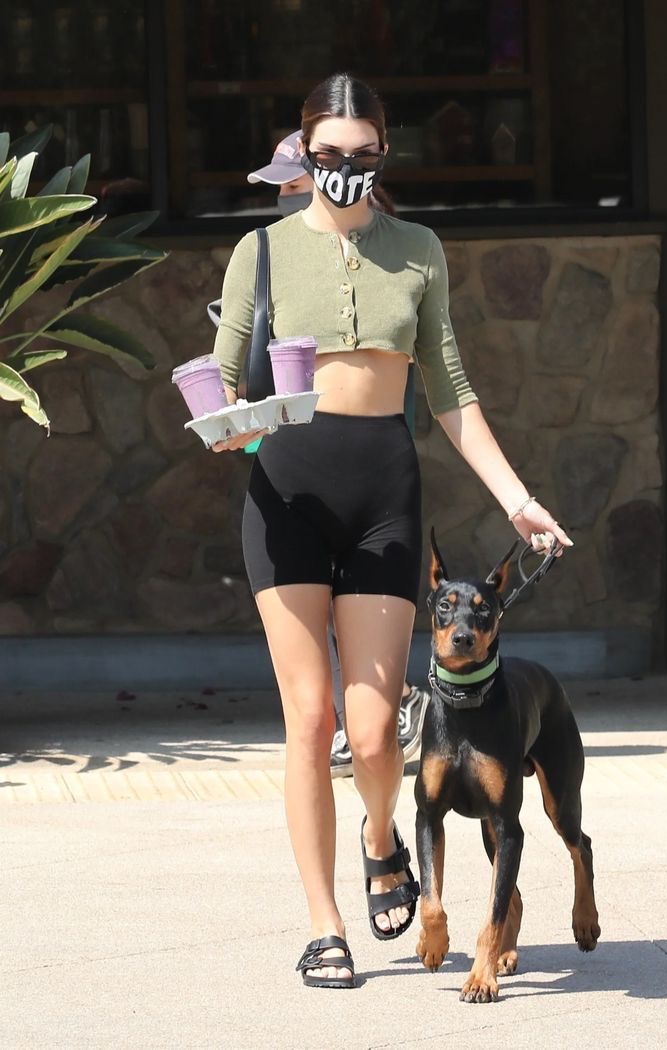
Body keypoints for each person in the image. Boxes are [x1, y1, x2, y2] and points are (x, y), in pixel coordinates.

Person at [210, 73, 572, 990]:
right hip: (285, 493)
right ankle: (324, 926)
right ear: (304, 153)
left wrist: (516, 498)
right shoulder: (260, 252)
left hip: (383, 492)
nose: (346, 168)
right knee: (310, 719)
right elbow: (222, 381)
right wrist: (232, 421)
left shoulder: (418, 250)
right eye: (329, 154)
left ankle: (381, 839)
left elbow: (450, 390)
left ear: (383, 152)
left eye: (362, 154)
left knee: (373, 736)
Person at [243, 130, 432, 777]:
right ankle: (370, 713)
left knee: (356, 606)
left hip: (369, 457)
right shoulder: (272, 252)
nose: (285, 199)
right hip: (289, 452)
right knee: (310, 619)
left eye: (292, 186)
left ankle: (386, 708)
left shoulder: (395, 255)